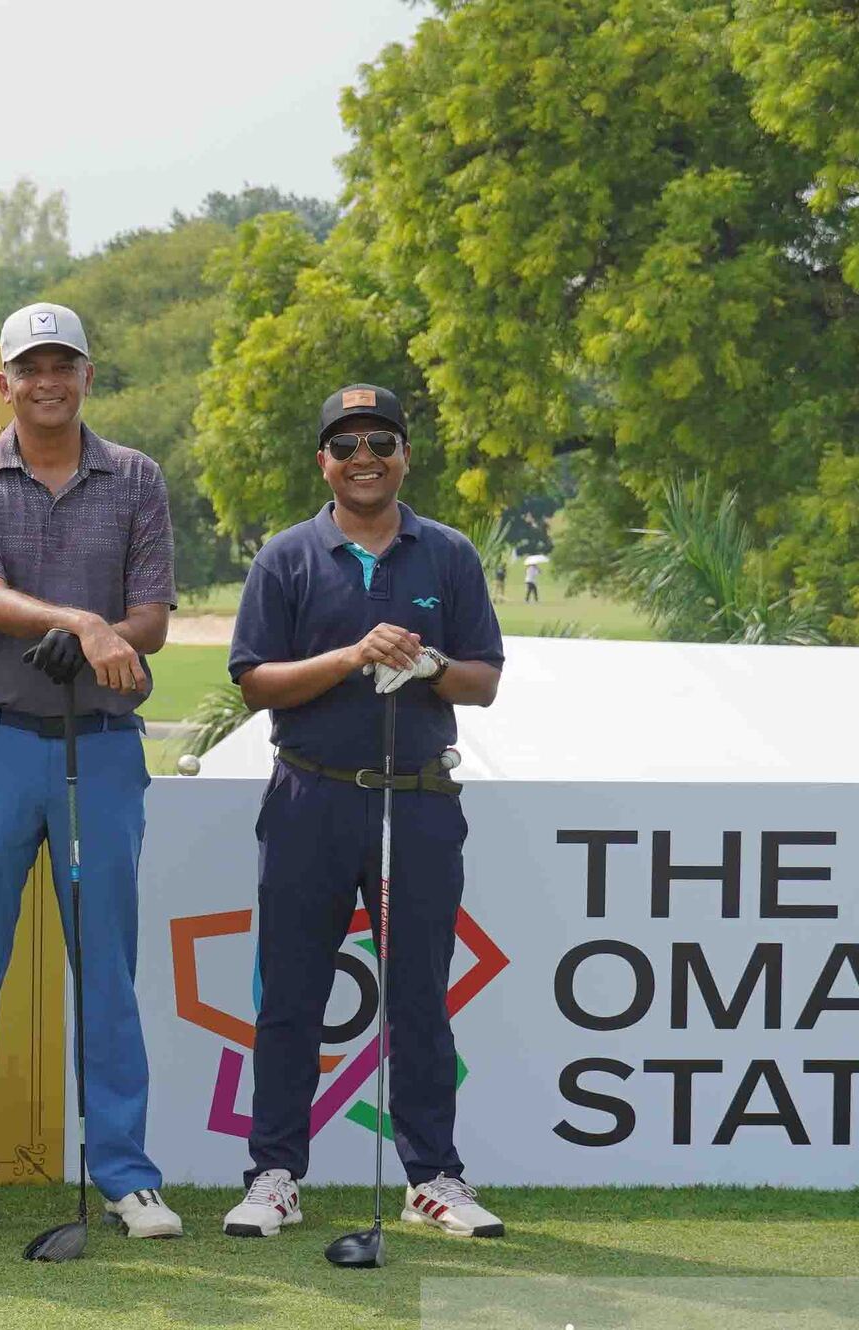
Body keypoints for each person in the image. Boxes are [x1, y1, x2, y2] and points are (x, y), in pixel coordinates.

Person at [0, 303, 182, 1242]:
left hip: (98, 745)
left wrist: (99, 632)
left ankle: (129, 1176)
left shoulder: (135, 477)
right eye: (31, 367)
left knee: (107, 970)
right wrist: (79, 624)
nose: (47, 381)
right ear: (4, 382)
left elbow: (152, 615)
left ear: (87, 376)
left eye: (64, 365)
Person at [220, 383, 506, 1240]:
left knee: (419, 993)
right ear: (324, 462)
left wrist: (423, 667)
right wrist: (350, 656)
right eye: (345, 446)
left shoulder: (446, 554)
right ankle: (274, 1173)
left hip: (415, 802)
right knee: (292, 995)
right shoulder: (288, 556)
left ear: (404, 456)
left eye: (380, 442)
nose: (364, 460)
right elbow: (252, 681)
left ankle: (435, 1178)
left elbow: (484, 681)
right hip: (310, 795)